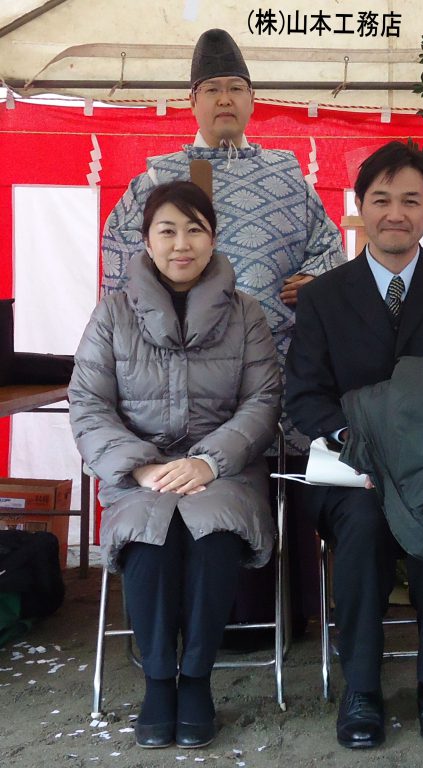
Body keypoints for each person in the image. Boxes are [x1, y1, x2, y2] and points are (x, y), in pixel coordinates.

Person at [101, 27, 344, 637]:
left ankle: (270, 621)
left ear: (253, 100)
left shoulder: (286, 176)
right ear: (193, 103)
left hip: (267, 373)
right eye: (212, 89)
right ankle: (179, 631)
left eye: (237, 88)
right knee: (175, 496)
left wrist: (317, 280)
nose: (225, 99)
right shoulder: (156, 179)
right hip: (169, 379)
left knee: (262, 488)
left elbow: (330, 248)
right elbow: (116, 260)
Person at [285, 141, 423, 749]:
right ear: (360, 208)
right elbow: (305, 396)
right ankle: (361, 690)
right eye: (381, 200)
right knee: (360, 528)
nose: (396, 213)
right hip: (354, 469)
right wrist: (363, 444)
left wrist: (412, 446)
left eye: (411, 199)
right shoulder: (325, 297)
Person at [69, 181, 281, 749]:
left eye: (195, 229)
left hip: (225, 470)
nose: (181, 243)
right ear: (146, 240)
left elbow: (263, 401)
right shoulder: (113, 313)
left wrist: (211, 463)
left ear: (213, 239)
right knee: (150, 538)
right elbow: (88, 403)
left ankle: (197, 681)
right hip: (141, 474)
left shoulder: (247, 314)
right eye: (167, 230)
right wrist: (138, 468)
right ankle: (159, 682)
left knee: (213, 538)